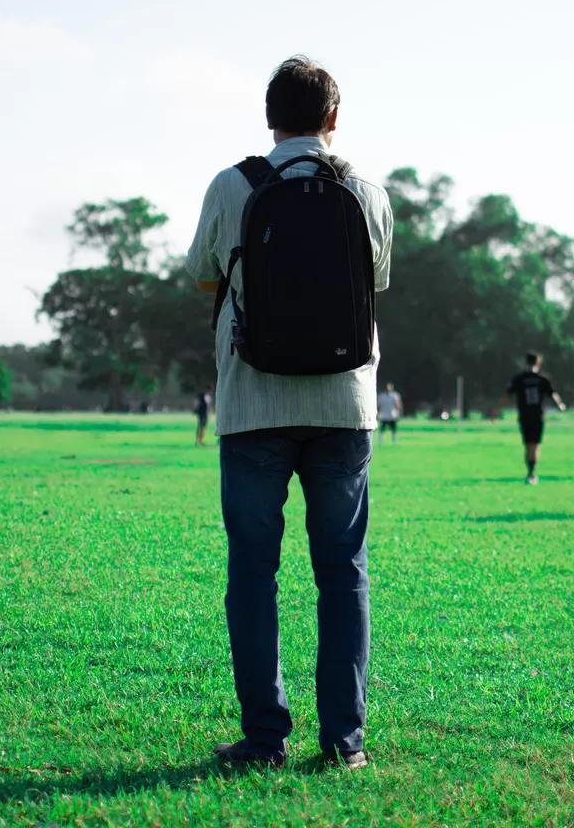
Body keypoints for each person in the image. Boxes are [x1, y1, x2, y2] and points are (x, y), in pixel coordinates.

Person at [184, 56, 394, 770]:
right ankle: (345, 742)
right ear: (334, 118)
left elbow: (204, 272)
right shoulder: (366, 188)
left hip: (253, 400)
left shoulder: (233, 184)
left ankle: (265, 738)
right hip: (344, 402)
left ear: (268, 116)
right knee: (343, 570)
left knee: (253, 571)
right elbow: (379, 280)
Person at [501, 353, 566, 484]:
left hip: (524, 416)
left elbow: (507, 395)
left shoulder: (519, 378)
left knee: (528, 445)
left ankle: (530, 471)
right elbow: (553, 394)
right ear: (538, 363)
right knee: (535, 445)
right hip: (537, 416)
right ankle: (531, 472)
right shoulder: (542, 379)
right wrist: (560, 405)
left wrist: (498, 409)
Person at [376, 382, 403, 446]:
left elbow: (398, 405)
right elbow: (378, 405)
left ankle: (394, 442)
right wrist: (377, 413)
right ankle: (380, 442)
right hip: (384, 415)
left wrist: (399, 413)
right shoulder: (382, 396)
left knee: (394, 430)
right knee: (382, 430)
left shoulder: (395, 396)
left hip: (392, 415)